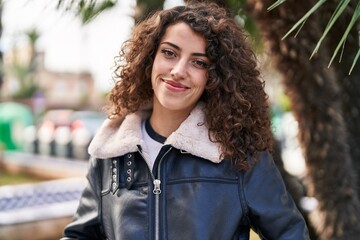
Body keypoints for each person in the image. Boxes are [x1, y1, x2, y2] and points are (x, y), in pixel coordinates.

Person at [61, 1, 310, 239]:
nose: (179, 71)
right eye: (169, 53)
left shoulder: (239, 157)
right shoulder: (109, 153)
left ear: (215, 76)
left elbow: (290, 234)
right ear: (150, 59)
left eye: (198, 62)